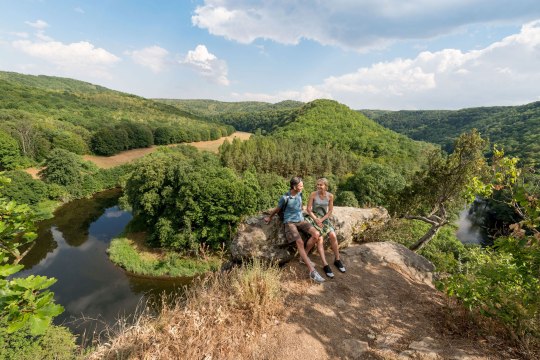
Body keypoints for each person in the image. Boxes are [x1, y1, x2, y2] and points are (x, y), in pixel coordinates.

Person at [264, 176, 325, 283]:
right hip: (290, 222)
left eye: (302, 185)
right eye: (300, 186)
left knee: (316, 234)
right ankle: (312, 271)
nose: (302, 187)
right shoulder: (285, 198)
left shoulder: (299, 193)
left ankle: (303, 257)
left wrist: (301, 210)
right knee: (300, 242)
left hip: (300, 220)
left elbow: (300, 206)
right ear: (294, 186)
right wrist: (269, 217)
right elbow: (278, 209)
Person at [306, 178, 346, 278]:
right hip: (314, 217)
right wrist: (316, 219)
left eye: (321, 185)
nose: (319, 186)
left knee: (333, 235)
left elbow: (330, 211)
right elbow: (308, 209)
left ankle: (337, 260)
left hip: (324, 218)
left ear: (326, 186)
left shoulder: (330, 196)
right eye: (318, 185)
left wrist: (322, 219)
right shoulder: (313, 194)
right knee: (320, 237)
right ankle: (325, 264)